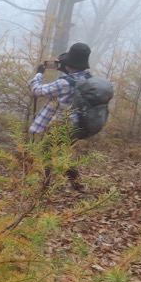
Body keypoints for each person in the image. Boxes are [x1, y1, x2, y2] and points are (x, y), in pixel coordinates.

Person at [28, 42, 93, 191]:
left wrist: (39, 73)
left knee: (45, 153)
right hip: (78, 125)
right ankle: (77, 185)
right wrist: (66, 69)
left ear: (70, 63)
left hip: (61, 125)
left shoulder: (64, 83)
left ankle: (42, 189)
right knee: (63, 153)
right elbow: (74, 84)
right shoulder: (88, 79)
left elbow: (37, 90)